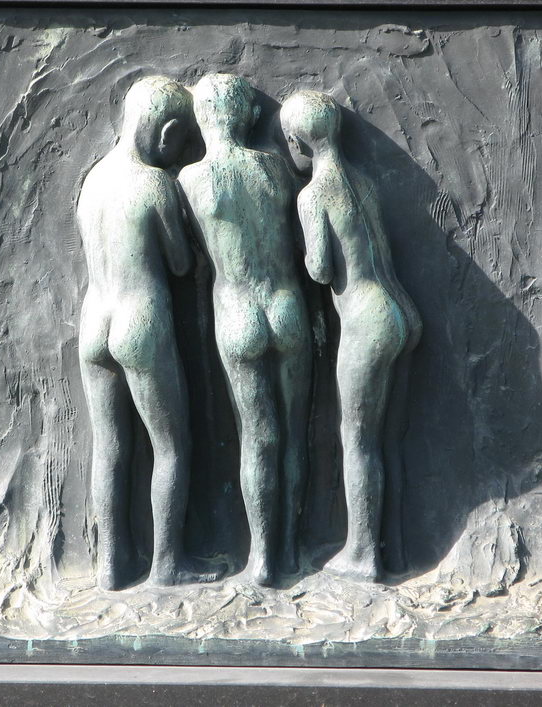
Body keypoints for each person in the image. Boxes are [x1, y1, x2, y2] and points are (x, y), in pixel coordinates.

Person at [77, 75, 223, 589]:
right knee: (171, 446)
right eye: (182, 141)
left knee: (110, 446)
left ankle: (111, 565)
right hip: (140, 322)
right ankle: (167, 563)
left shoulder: (93, 180)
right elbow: (180, 263)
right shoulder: (155, 184)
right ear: (166, 133)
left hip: (94, 322)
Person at [280, 90, 421, 581]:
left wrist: (297, 243)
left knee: (357, 440)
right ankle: (392, 548)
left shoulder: (313, 194)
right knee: (387, 440)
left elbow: (320, 270)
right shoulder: (361, 179)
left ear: (297, 142)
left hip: (366, 320)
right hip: (400, 310)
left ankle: (362, 553)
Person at [178, 74, 312, 586]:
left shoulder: (190, 180)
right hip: (287, 307)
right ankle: (292, 549)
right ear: (250, 116)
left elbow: (188, 255)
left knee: (258, 438)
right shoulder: (275, 167)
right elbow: (298, 243)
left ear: (201, 120)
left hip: (237, 315)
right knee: (294, 434)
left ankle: (262, 559)